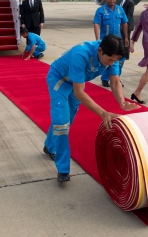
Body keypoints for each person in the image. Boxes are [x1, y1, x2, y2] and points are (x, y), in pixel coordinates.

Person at [43, 35, 140, 182]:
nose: (111, 64)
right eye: (110, 60)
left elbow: (114, 82)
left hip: (77, 82)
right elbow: (79, 92)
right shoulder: (80, 54)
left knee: (67, 119)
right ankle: (63, 169)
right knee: (61, 123)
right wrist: (103, 113)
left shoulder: (112, 54)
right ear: (100, 51)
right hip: (60, 80)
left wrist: (122, 102)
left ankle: (49, 146)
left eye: (115, 61)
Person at [93, 0, 129, 87]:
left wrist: (126, 37)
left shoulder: (120, 10)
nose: (112, 0)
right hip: (106, 42)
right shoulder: (100, 10)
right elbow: (96, 24)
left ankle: (116, 78)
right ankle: (105, 79)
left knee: (120, 60)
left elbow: (124, 23)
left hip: (118, 40)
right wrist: (97, 39)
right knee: (107, 60)